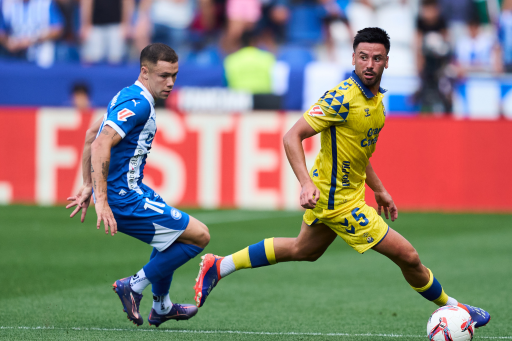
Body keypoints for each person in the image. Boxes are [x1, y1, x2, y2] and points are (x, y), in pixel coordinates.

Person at [194, 27, 491, 329]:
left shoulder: (376, 103)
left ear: (387, 62)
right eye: (363, 57)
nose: (369, 64)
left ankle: (219, 265)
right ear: (353, 58)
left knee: (303, 250)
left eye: (376, 58)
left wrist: (380, 189)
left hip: (340, 193)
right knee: (409, 256)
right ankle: (459, 309)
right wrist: (305, 183)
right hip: (338, 202)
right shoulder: (341, 98)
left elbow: (359, 155)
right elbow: (291, 136)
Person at [66, 43, 210, 327]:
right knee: (199, 236)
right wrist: (102, 200)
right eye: (163, 75)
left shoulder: (127, 95)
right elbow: (100, 144)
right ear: (145, 72)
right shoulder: (139, 103)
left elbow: (91, 132)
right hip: (124, 198)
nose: (170, 83)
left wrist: (87, 185)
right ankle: (132, 285)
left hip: (134, 190)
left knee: (173, 236)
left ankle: (162, 306)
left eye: (174, 75)